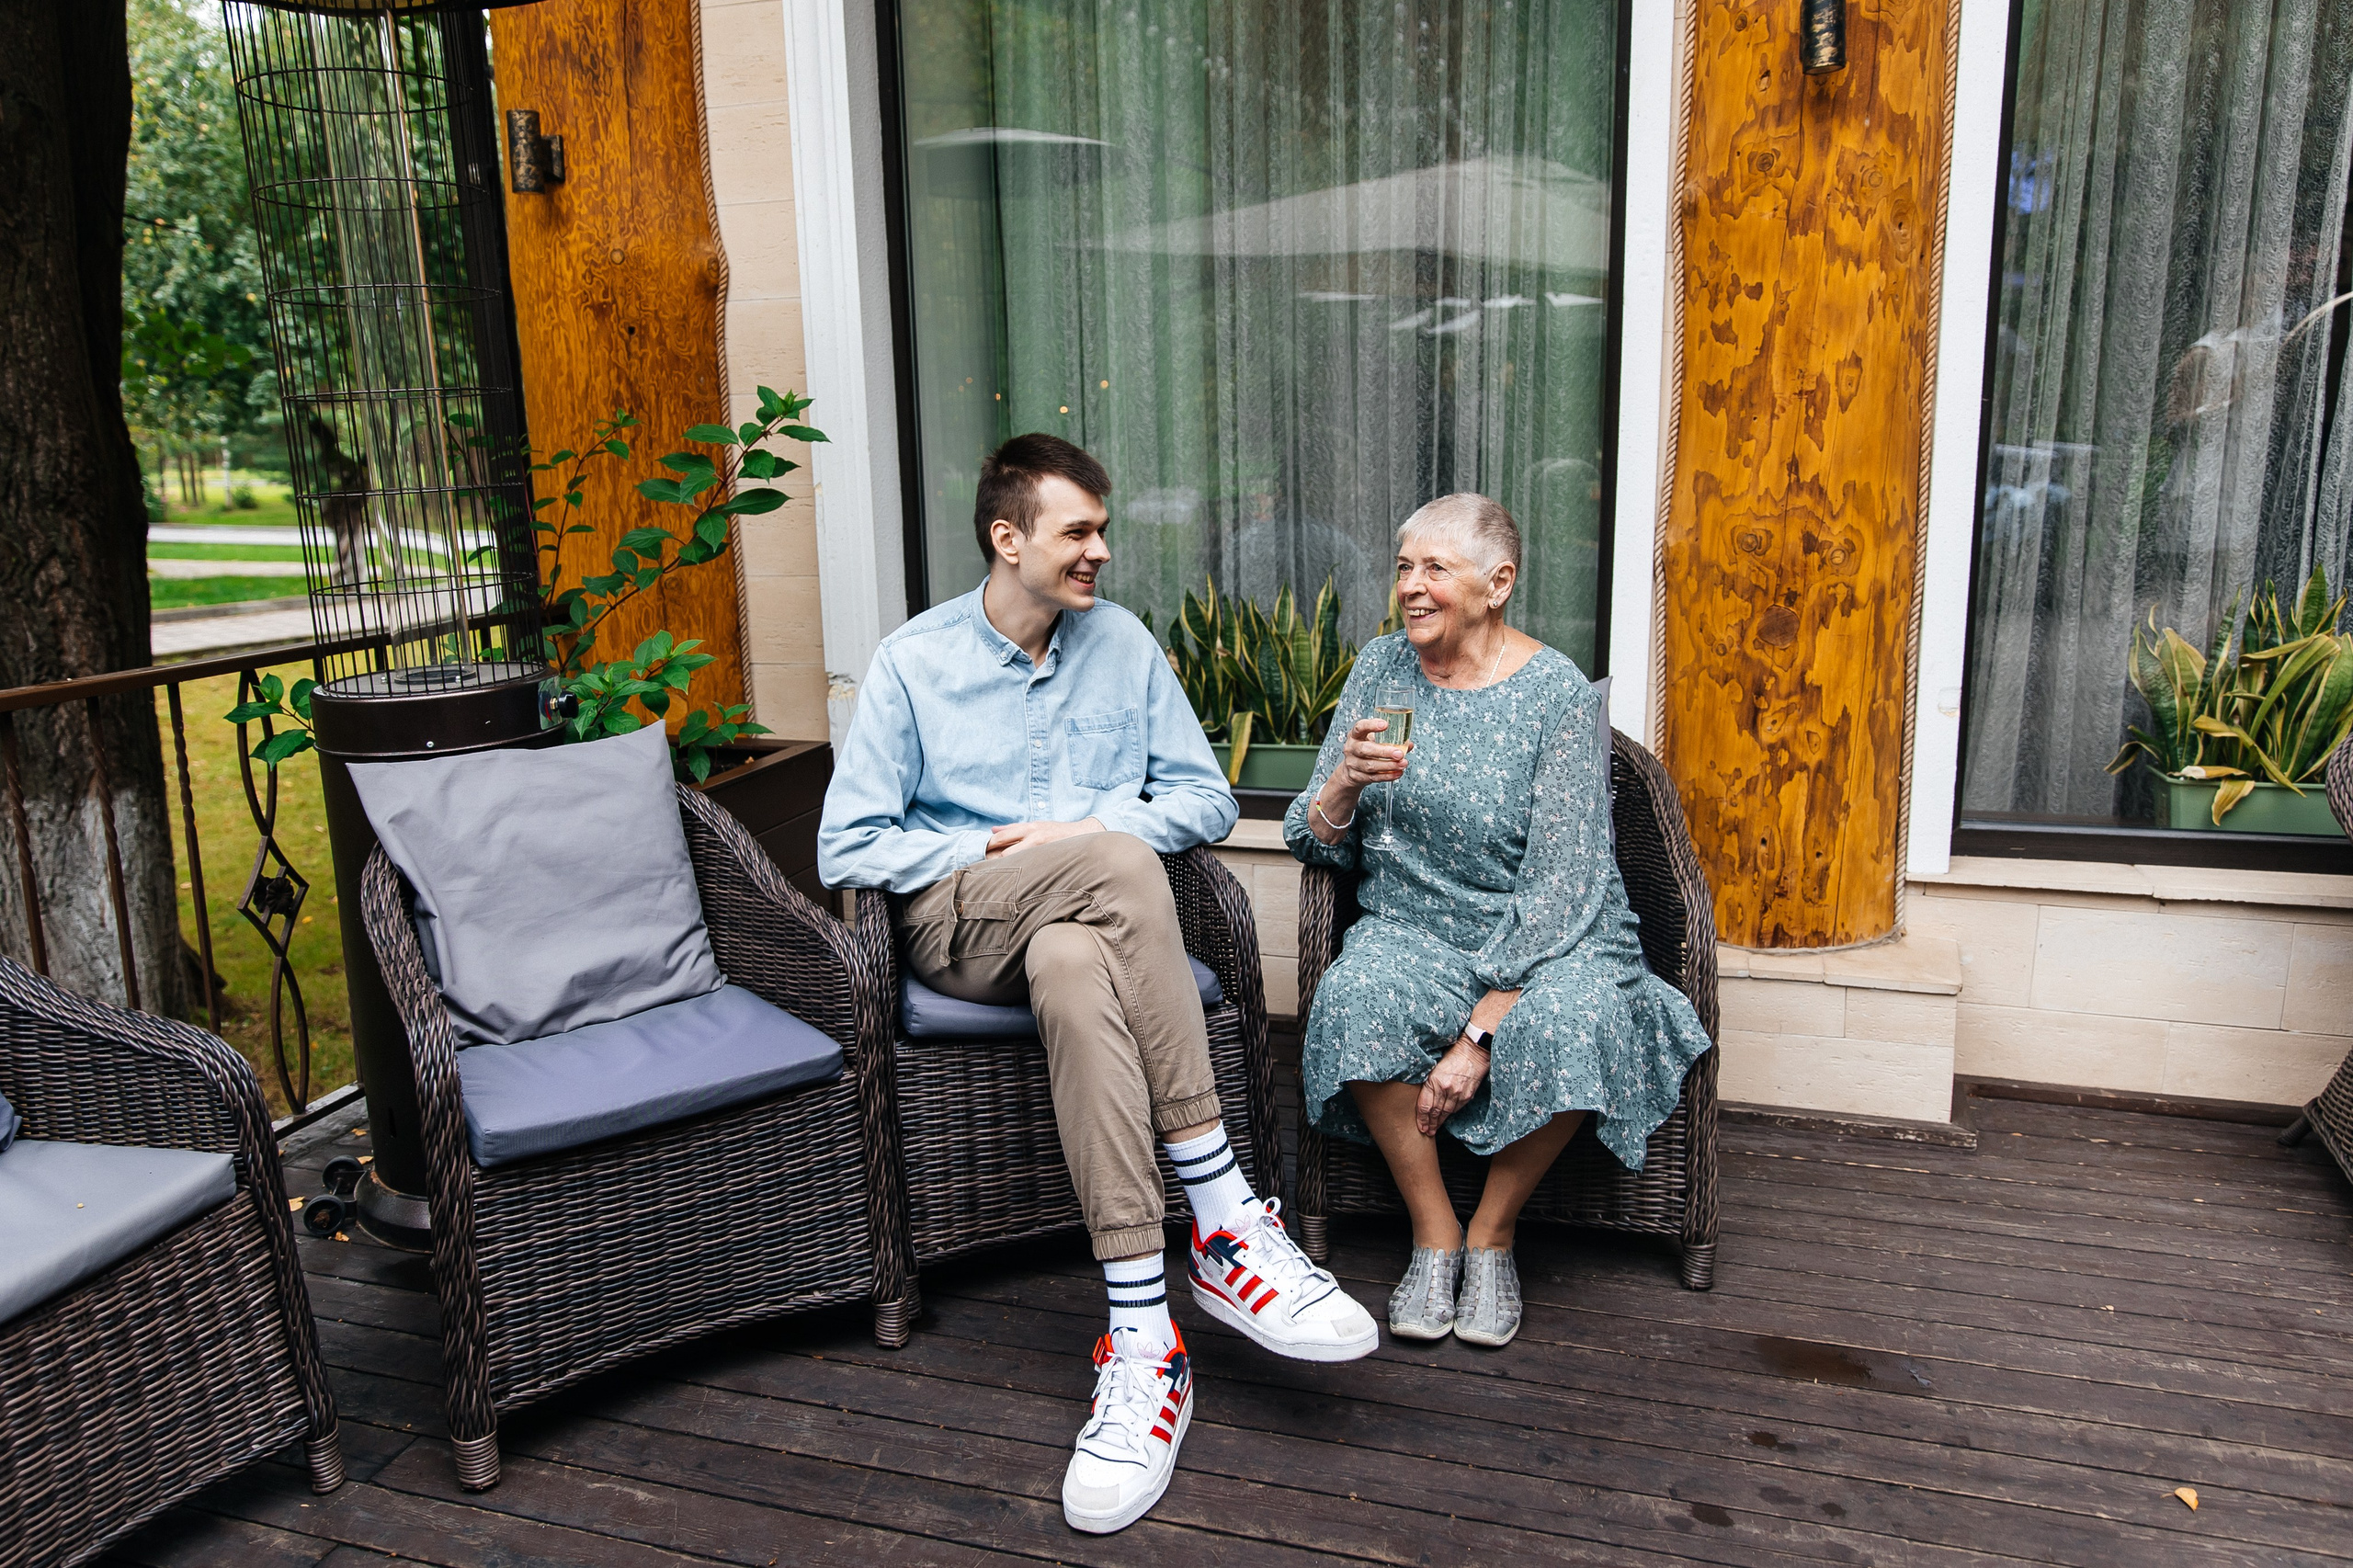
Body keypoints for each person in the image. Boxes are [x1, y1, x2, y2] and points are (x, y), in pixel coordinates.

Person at [820, 434, 1379, 1536]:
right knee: (1116, 862)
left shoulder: (1119, 643)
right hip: (957, 919)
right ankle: (1224, 1213)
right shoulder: (913, 661)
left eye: (1101, 530)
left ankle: (1141, 1334)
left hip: (1079, 931)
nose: (1101, 551)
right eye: (1077, 530)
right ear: (1007, 536)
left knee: (1075, 960)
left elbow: (1205, 799)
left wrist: (1076, 832)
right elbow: (849, 842)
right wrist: (1001, 848)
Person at [1285, 493, 1712, 1349]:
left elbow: (1562, 886)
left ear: (1498, 583)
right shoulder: (1381, 669)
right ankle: (1436, 1232)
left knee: (1575, 1019)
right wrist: (1345, 783)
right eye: (1404, 568)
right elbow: (1309, 837)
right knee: (1354, 997)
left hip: (1556, 935)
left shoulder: (1555, 695)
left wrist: (1478, 1034)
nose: (1411, 586)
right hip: (1414, 927)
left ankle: (1493, 1234)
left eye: (1435, 569)